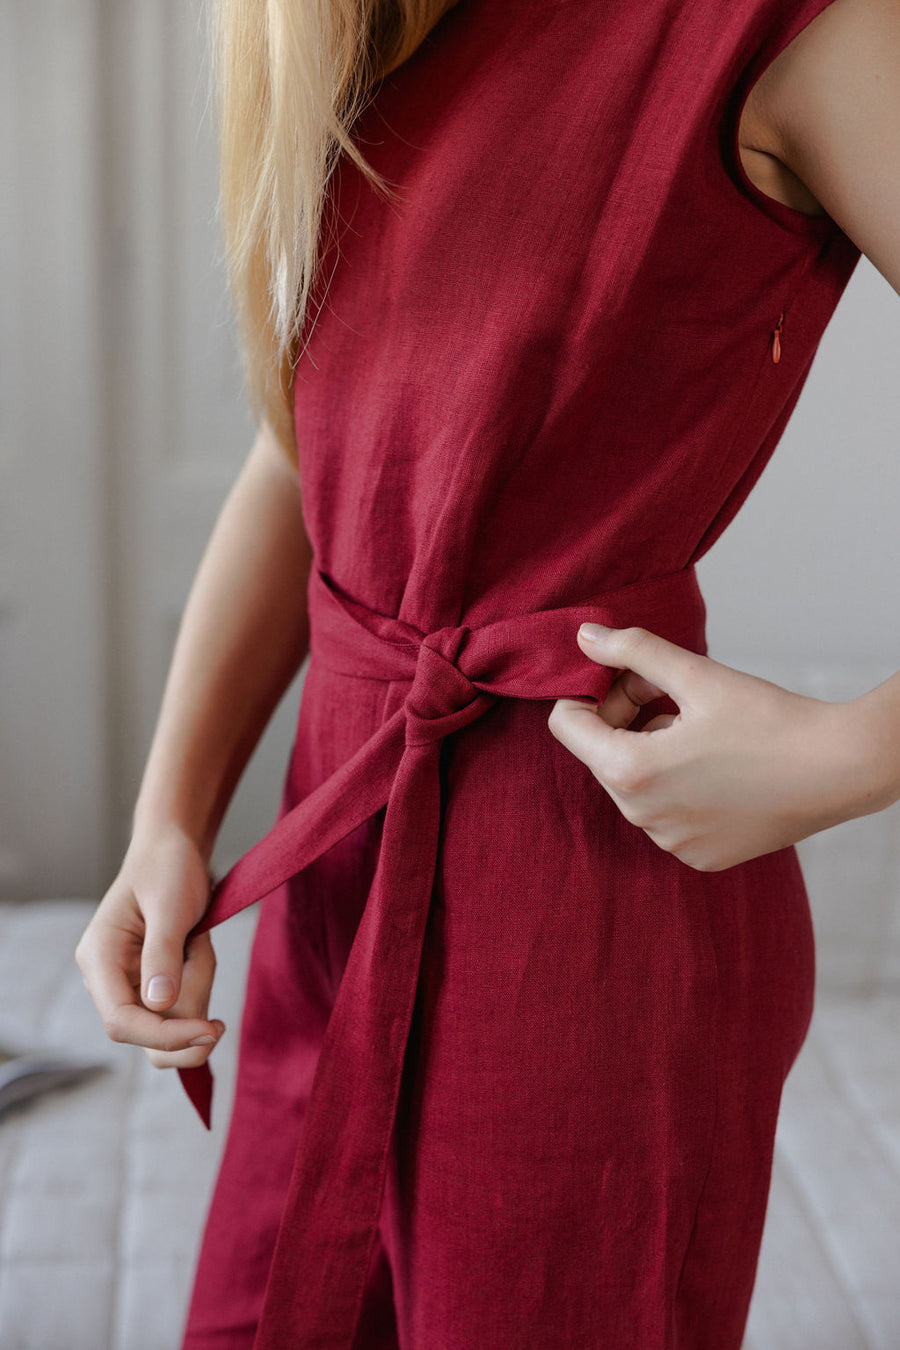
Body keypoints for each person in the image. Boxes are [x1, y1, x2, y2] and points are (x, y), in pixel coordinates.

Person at [75, 0, 900, 1345]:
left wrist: (844, 757)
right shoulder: (375, 26)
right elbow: (312, 455)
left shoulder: (783, 27)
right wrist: (168, 819)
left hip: (578, 930)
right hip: (334, 870)